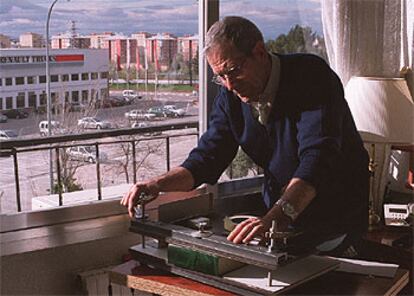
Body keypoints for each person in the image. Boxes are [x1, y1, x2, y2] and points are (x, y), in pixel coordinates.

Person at [121, 16, 369, 255]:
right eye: (220, 77)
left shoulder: (311, 76)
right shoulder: (230, 97)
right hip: (282, 220)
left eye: (233, 70)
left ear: (259, 52)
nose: (229, 85)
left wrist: (274, 219)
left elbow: (317, 160)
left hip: (335, 223)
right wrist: (156, 185)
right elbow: (206, 159)